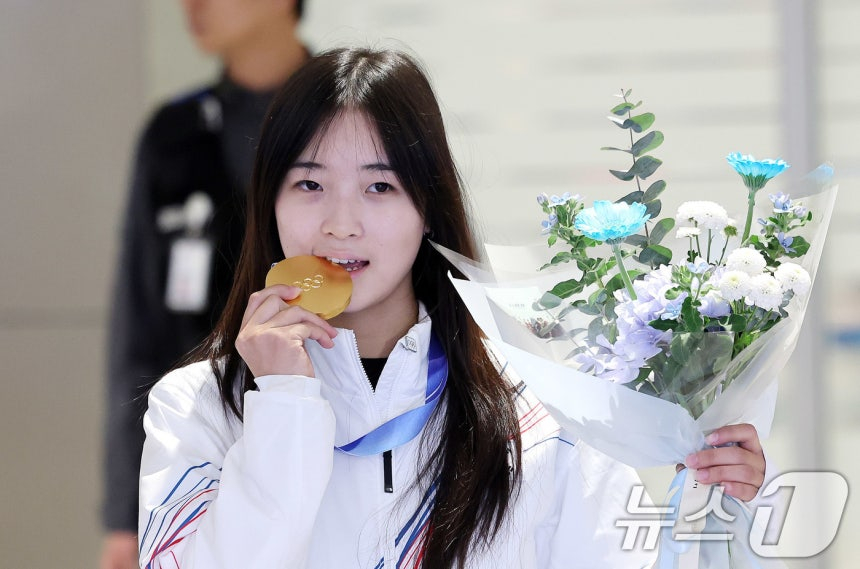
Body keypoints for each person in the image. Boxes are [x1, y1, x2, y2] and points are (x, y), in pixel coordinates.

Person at [137, 46, 768, 568]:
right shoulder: (197, 406)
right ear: (268, 203)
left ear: (428, 208)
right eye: (309, 183)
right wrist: (282, 402)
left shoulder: (541, 411)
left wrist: (715, 501)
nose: (340, 223)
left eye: (379, 186)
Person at [102, 1, 309, 567]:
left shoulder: (344, 115)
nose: (192, 5)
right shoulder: (175, 133)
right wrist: (124, 513)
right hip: (195, 438)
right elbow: (138, 324)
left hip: (322, 427)